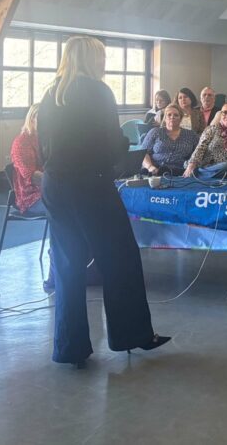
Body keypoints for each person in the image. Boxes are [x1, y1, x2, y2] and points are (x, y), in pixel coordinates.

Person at [36, 36, 169, 367]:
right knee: (119, 259)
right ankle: (132, 335)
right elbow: (112, 144)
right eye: (102, 57)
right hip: (90, 184)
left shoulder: (51, 92)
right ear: (91, 59)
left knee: (68, 264)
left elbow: (43, 146)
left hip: (55, 183)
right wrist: (123, 147)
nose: (104, 63)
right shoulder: (98, 91)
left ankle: (70, 347)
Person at [11, 104, 53, 292]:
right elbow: (31, 175)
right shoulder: (22, 142)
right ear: (32, 119)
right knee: (63, 211)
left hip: (52, 192)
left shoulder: (47, 140)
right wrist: (60, 180)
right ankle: (55, 275)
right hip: (31, 198)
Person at [140, 104, 199, 176]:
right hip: (155, 171)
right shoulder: (155, 132)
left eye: (176, 115)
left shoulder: (191, 134)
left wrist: (191, 166)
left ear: (180, 118)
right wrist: (150, 167)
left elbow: (199, 153)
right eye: (169, 115)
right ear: (165, 118)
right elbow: (143, 153)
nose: (172, 117)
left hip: (181, 172)